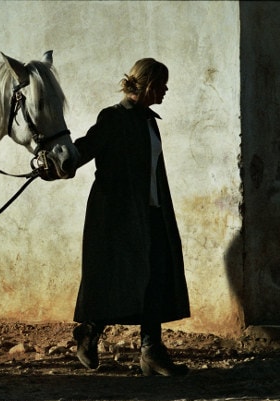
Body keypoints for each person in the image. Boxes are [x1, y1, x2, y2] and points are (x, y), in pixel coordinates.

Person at [68, 58, 191, 376]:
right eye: (162, 84)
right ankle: (89, 333)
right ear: (148, 83)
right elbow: (87, 146)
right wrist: (62, 158)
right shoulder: (113, 117)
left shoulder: (149, 121)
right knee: (118, 280)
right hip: (117, 216)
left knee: (154, 279)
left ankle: (151, 352)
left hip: (151, 212)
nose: (165, 90)